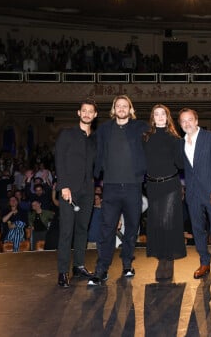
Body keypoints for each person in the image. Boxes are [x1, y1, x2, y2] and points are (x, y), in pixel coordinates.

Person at [88, 95, 148, 286]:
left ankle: (127, 264)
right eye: (118, 106)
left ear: (130, 109)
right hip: (111, 186)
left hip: (133, 186)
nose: (121, 109)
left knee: (131, 228)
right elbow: (94, 151)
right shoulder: (104, 129)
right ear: (114, 109)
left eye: (125, 106)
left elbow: (157, 139)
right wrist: (92, 175)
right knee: (106, 229)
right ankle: (102, 269)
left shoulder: (140, 127)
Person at [179, 108, 211, 286]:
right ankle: (204, 262)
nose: (187, 123)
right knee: (198, 230)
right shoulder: (181, 143)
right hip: (192, 194)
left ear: (196, 121)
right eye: (183, 121)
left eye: (190, 119)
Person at [55, 98, 98, 288]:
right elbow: (59, 160)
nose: (87, 113)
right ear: (79, 113)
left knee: (82, 229)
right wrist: (63, 186)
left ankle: (78, 266)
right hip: (69, 191)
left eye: (91, 111)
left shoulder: (94, 140)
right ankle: (63, 271)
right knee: (66, 231)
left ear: (95, 115)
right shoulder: (67, 134)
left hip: (88, 191)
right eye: (84, 110)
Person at [143, 104, 186, 280]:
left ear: (167, 117)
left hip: (170, 185)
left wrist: (185, 147)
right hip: (152, 186)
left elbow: (181, 164)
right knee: (157, 224)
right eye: (156, 114)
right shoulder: (146, 137)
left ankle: (168, 260)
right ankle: (161, 257)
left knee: (168, 222)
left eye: (163, 114)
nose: (160, 117)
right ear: (152, 118)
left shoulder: (175, 139)